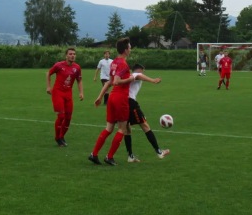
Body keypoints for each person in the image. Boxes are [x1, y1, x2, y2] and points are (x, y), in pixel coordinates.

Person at [94, 63, 170, 162]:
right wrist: (153, 80)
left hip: (123, 102)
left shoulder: (128, 76)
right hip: (130, 103)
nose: (143, 74)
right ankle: (159, 152)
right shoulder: (134, 75)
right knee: (145, 126)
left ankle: (130, 156)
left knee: (127, 129)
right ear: (139, 70)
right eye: (143, 71)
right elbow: (138, 76)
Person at [89, 37, 134, 166]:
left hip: (112, 97)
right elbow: (116, 81)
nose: (130, 49)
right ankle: (109, 157)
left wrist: (100, 96)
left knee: (109, 128)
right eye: (129, 47)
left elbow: (109, 82)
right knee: (122, 129)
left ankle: (94, 154)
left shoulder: (114, 62)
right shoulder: (123, 64)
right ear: (125, 50)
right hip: (120, 98)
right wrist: (130, 79)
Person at [46, 47, 84, 147]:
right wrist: (48, 87)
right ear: (66, 55)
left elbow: (79, 80)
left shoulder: (77, 67)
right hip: (58, 93)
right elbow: (48, 73)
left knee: (68, 118)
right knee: (61, 116)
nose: (73, 55)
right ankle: (57, 137)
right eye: (70, 54)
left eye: (74, 54)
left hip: (68, 94)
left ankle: (62, 136)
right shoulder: (59, 65)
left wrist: (81, 92)